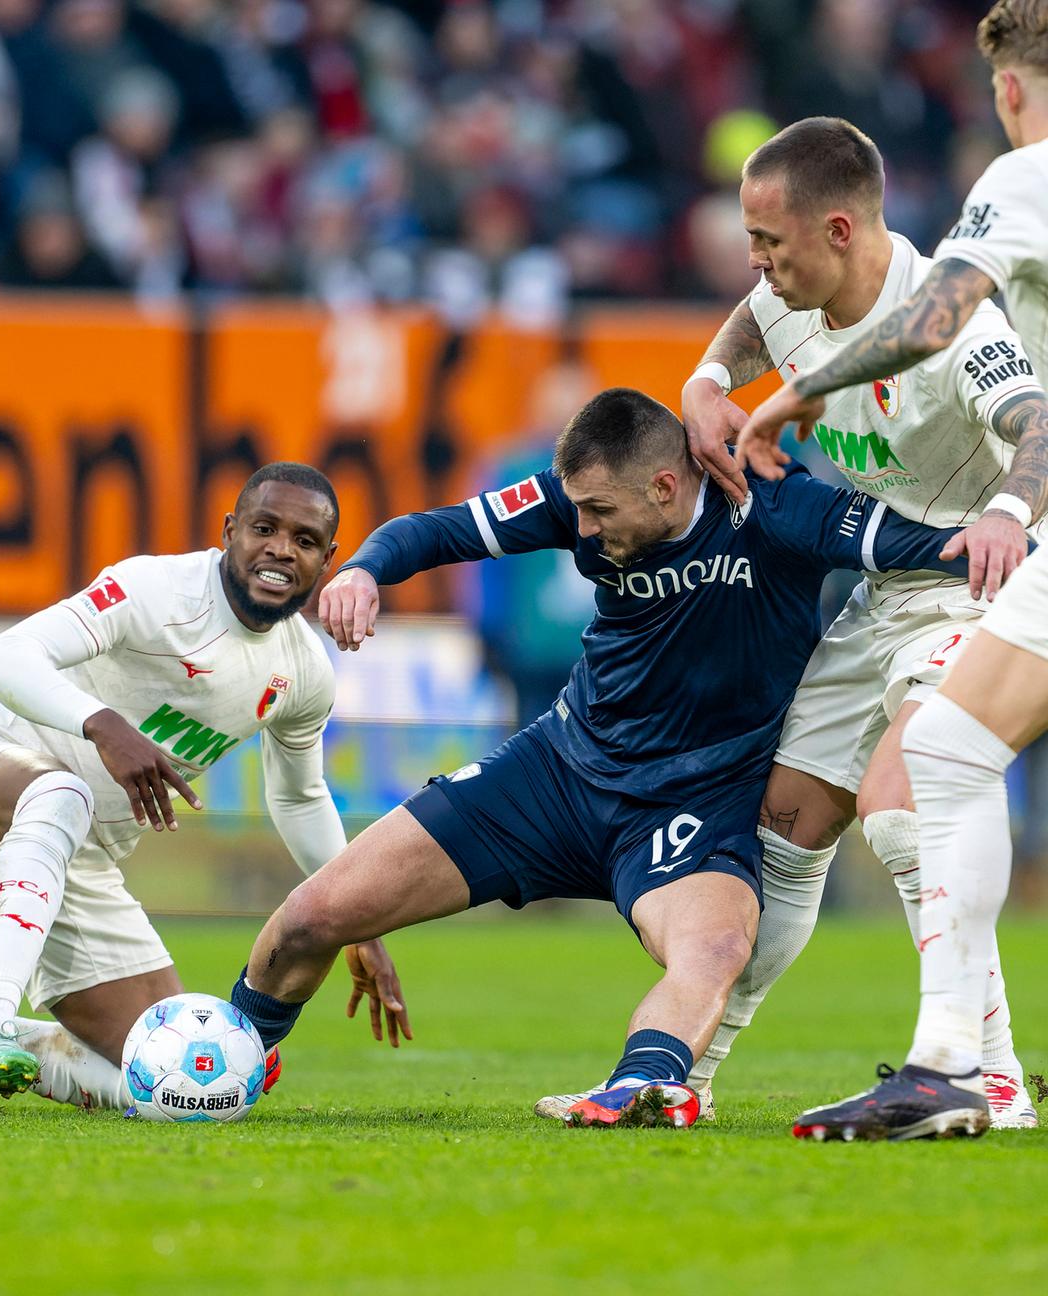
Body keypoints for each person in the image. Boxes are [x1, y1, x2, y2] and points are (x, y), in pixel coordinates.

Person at [227, 387, 990, 1129]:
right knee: (316, 915)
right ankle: (227, 1056)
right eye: (578, 509)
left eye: (599, 512)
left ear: (664, 486)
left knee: (716, 946)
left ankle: (642, 1088)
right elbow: (440, 530)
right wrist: (363, 569)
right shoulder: (575, 498)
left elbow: (921, 544)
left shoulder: (780, 506)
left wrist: (1015, 536)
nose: (582, 530)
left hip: (697, 801)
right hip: (555, 775)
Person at [679, 115, 1048, 1130]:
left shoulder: (956, 320)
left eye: (771, 243)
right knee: (788, 821)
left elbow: (1040, 424)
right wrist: (708, 378)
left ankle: (990, 1076)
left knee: (905, 795)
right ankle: (688, 1074)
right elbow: (753, 321)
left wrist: (1012, 515)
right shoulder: (792, 295)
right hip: (882, 591)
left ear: (839, 230)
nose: (756, 264)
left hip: (973, 580)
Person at [0, 462, 402, 1112]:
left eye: (305, 541)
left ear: (327, 559)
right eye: (265, 528)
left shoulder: (302, 673)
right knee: (62, 796)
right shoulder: (156, 592)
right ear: (229, 531)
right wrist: (104, 726)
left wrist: (357, 916)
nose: (281, 549)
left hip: (80, 867)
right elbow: (0, 656)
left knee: (178, 1088)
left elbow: (299, 798)